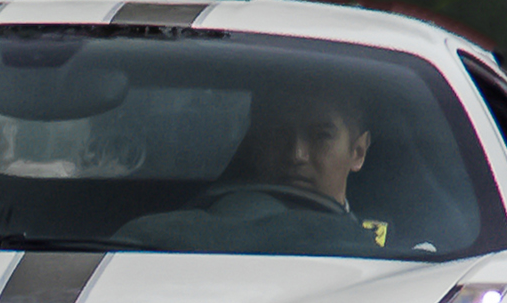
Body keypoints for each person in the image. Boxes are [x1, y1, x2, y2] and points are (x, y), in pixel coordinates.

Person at [115, 85, 389, 252]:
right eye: (279, 134)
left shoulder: (398, 252)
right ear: (258, 144)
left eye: (321, 136)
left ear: (358, 151)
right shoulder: (176, 239)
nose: (297, 154)